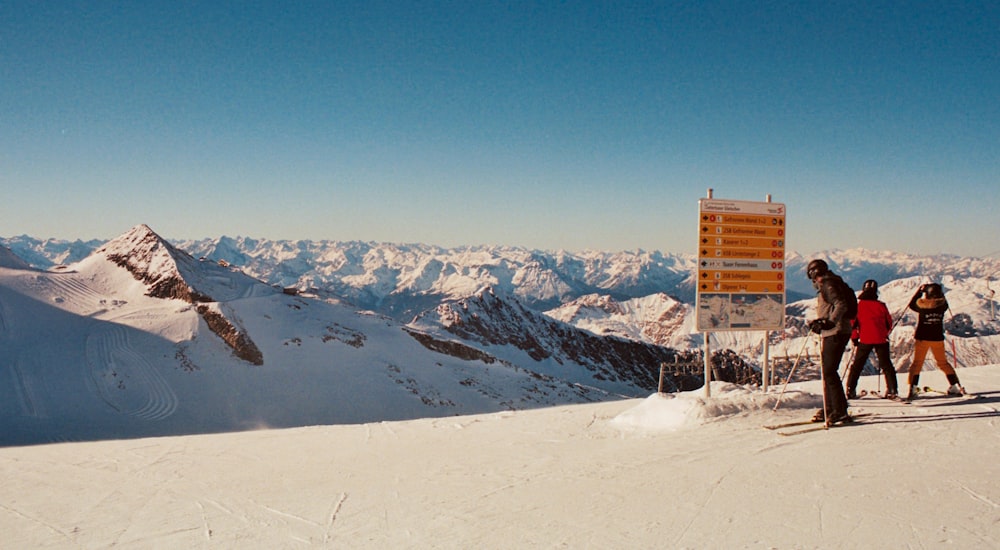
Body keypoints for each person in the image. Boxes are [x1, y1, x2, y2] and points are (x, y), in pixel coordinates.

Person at [806, 259, 856, 425]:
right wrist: (820, 321)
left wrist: (830, 322)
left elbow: (840, 304)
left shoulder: (828, 284)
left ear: (814, 273)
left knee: (829, 371)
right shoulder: (831, 283)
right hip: (834, 330)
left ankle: (839, 411)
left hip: (836, 331)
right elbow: (831, 308)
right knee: (828, 371)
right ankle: (831, 408)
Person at [905, 282, 966, 401]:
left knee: (917, 363)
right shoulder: (941, 306)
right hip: (937, 338)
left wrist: (919, 291)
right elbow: (945, 303)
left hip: (922, 338)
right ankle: (956, 385)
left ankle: (912, 388)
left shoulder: (921, 306)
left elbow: (911, 304)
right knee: (943, 363)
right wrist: (941, 293)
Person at [844, 279, 899, 399]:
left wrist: (854, 338)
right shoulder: (881, 305)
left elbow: (853, 324)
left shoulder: (858, 306)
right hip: (881, 339)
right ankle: (892, 390)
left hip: (865, 339)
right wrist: (884, 333)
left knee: (857, 365)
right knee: (886, 365)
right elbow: (889, 323)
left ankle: (850, 390)